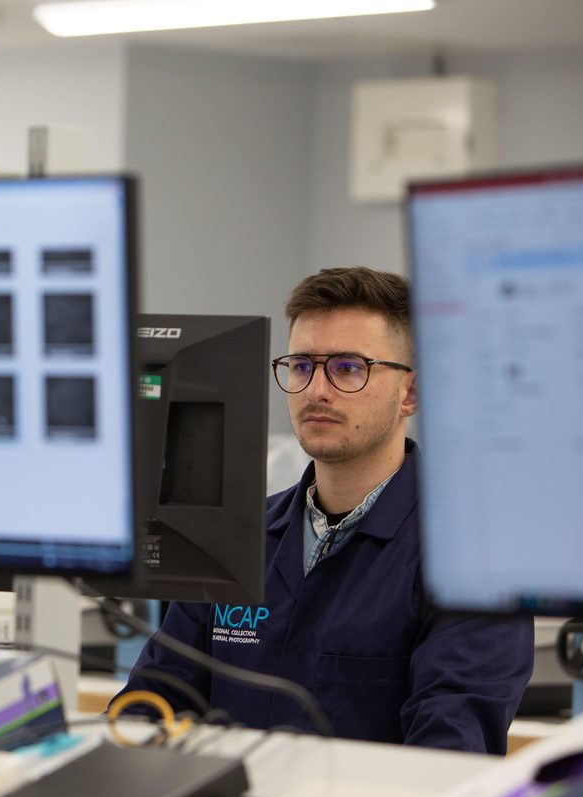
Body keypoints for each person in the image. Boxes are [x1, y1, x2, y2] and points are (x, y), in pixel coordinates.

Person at [114, 266, 534, 754]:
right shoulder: (233, 534)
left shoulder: (474, 560)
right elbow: (150, 703)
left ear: (412, 393)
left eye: (348, 367)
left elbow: (449, 755)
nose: (316, 390)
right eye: (301, 365)